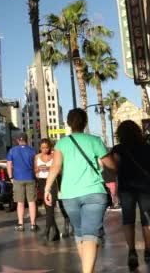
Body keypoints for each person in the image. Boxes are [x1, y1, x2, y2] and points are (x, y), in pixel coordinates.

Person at [45, 108, 115, 273]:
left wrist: (48, 189)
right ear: (85, 122)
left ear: (69, 124)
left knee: (80, 233)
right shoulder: (95, 141)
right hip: (94, 192)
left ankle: (87, 269)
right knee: (91, 233)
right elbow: (111, 164)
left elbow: (55, 167)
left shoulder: (61, 143)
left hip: (69, 195)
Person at [111, 120, 150, 270]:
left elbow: (114, 168)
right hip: (146, 187)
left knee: (128, 219)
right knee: (147, 219)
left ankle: (132, 252)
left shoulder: (118, 149)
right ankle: (148, 251)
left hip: (127, 187)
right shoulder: (147, 148)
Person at [34, 138, 69, 241]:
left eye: (46, 147)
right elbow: (35, 170)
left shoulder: (54, 155)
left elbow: (59, 169)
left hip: (53, 181)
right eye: (42, 148)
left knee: (51, 205)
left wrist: (49, 169)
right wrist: (39, 168)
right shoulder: (37, 157)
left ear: (50, 147)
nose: (45, 150)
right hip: (41, 180)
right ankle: (55, 231)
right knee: (47, 206)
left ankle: (47, 230)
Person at [7, 133, 39, 232]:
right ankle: (33, 224)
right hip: (30, 178)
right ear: (27, 140)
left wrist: (11, 177)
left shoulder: (12, 151)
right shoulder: (32, 151)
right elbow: (35, 166)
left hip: (17, 179)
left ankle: (21, 224)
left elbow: (9, 164)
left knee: (20, 203)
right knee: (31, 202)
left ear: (17, 140)